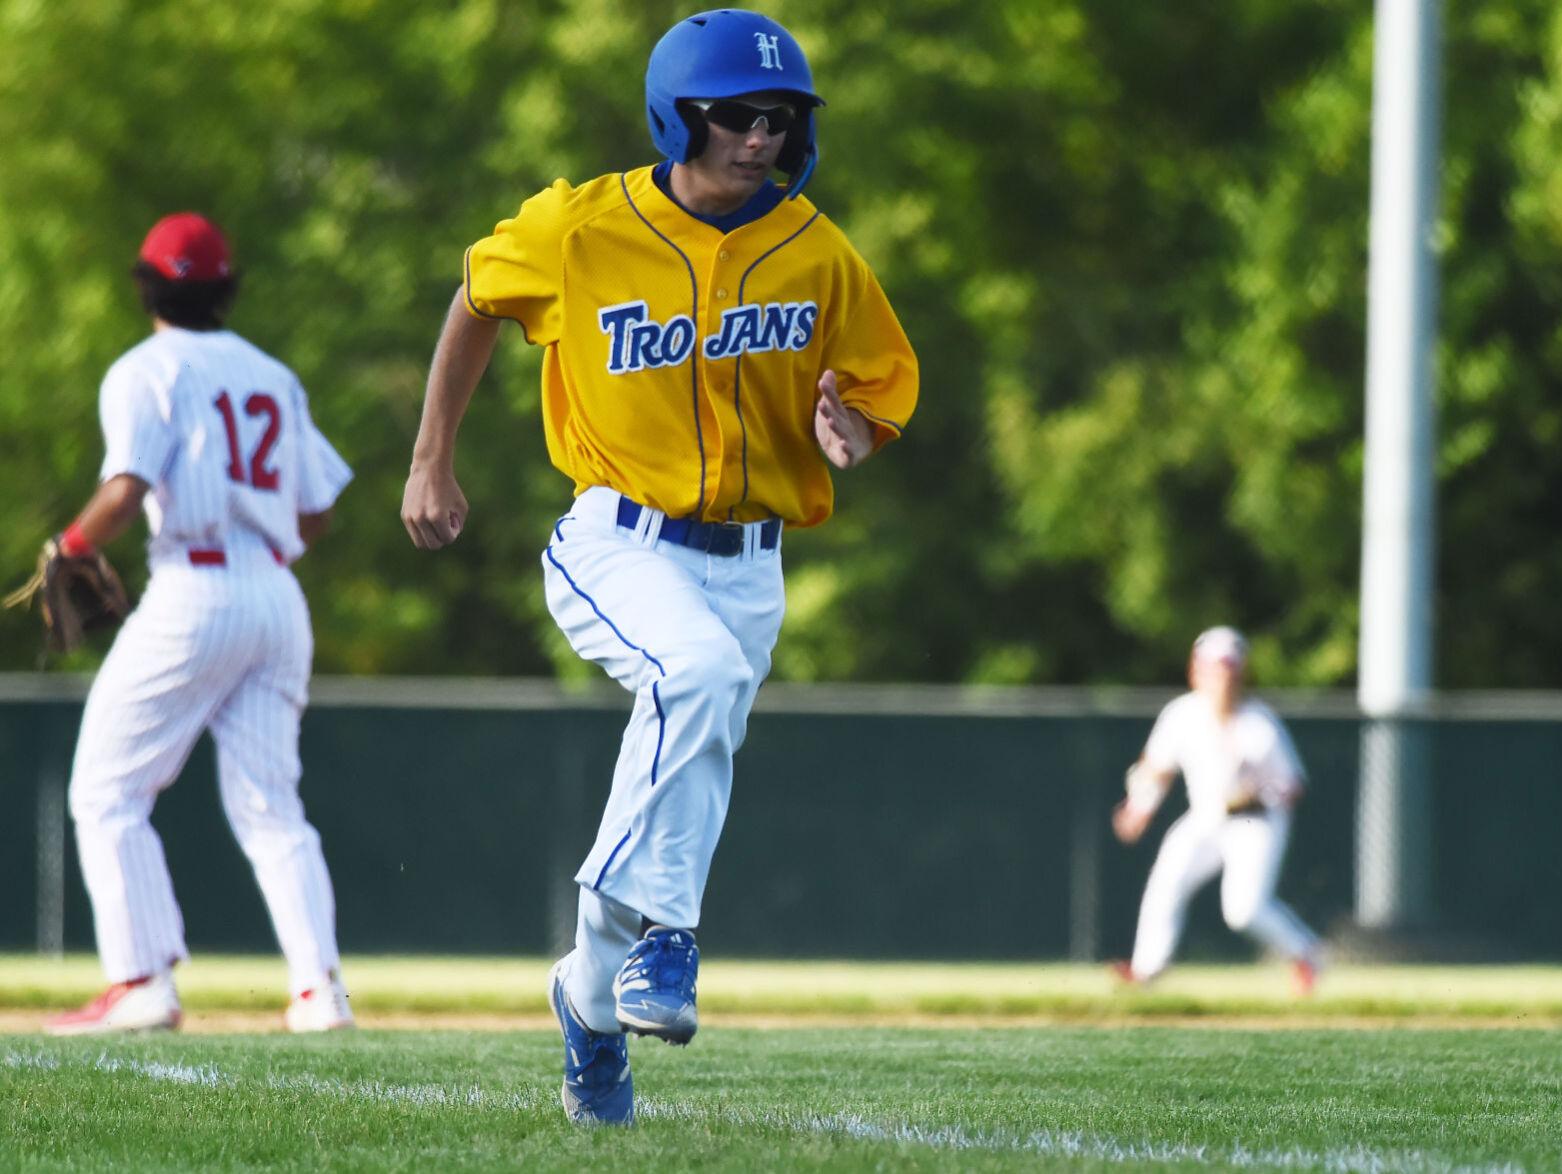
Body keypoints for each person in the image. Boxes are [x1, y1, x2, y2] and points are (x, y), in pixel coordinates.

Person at [400, 9, 918, 1127]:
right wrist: (430, 457)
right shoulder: (581, 227)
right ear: (676, 114)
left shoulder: (816, 249)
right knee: (697, 679)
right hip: (616, 537)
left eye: (779, 117)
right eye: (734, 115)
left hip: (753, 561)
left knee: (689, 749)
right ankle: (671, 941)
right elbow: (478, 297)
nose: (759, 136)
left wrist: (855, 434)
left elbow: (878, 382)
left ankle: (589, 1005)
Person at [43, 213, 356, 1035]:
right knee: (270, 807)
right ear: (227, 290)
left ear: (146, 286)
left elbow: (125, 488)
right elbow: (317, 509)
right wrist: (264, 540)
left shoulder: (145, 370)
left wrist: (69, 545)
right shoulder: (270, 374)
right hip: (275, 593)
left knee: (106, 790)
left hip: (195, 588)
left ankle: (142, 981)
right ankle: (319, 991)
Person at [1111, 626, 1323, 993]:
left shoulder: (1259, 724)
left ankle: (1306, 953)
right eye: (1213, 667)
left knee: (1243, 910)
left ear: (1240, 673)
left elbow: (1294, 785)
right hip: (1205, 816)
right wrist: (1138, 808)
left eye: (1227, 668)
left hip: (1256, 823)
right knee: (1166, 883)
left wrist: (1260, 790)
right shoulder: (1181, 714)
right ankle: (1147, 970)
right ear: (1196, 670)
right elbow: (1157, 770)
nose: (1220, 677)